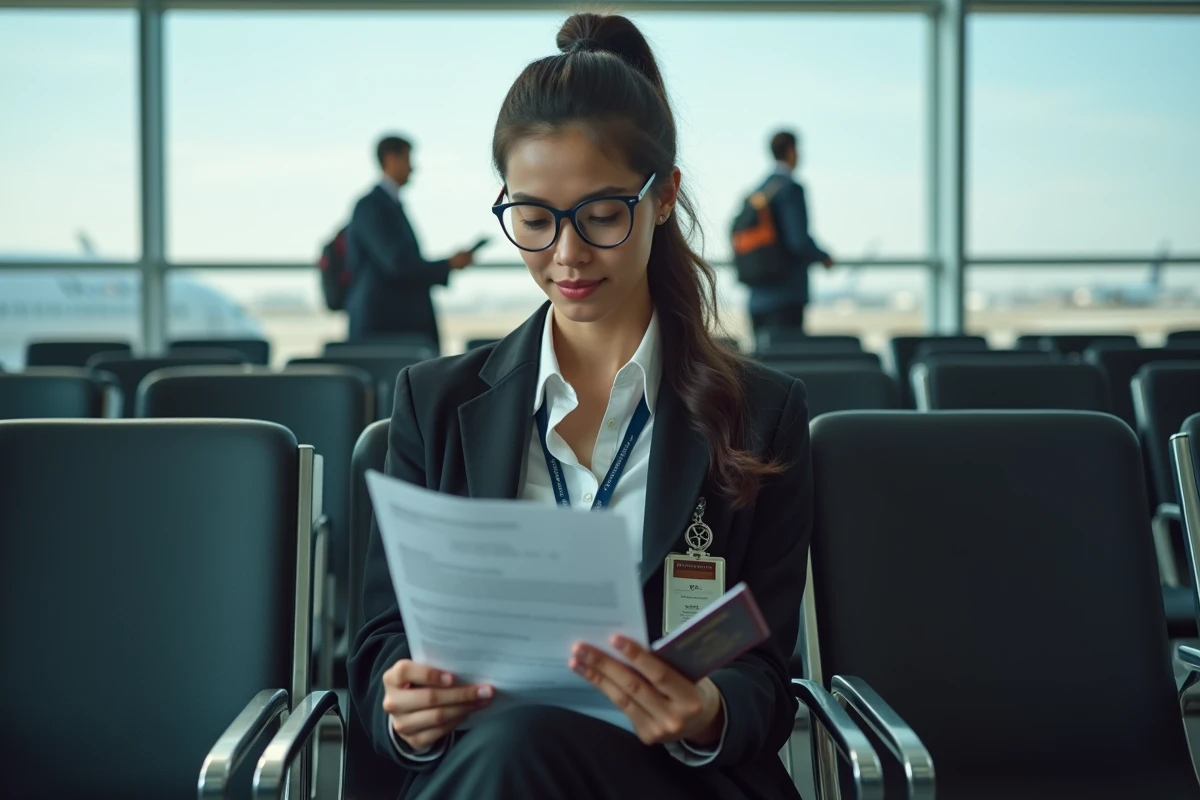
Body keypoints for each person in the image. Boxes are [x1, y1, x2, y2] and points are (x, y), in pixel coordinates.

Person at [349, 14, 812, 800]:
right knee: (514, 745)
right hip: (488, 763)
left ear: (662, 197)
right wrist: (406, 708)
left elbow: (766, 675)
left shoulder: (759, 414)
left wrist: (709, 710)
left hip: (671, 778)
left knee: (517, 750)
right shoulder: (435, 405)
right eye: (533, 220)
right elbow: (380, 649)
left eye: (601, 216)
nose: (566, 255)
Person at [344, 135, 475, 350]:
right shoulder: (372, 206)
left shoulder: (385, 205)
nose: (412, 168)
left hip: (393, 322)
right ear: (390, 159)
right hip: (385, 325)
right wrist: (448, 264)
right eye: (407, 159)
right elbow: (397, 264)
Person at [747, 130, 834, 339]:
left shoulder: (759, 191)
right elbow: (798, 241)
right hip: (786, 296)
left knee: (763, 355)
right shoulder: (790, 189)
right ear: (792, 150)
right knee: (789, 354)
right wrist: (823, 257)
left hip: (757, 297)